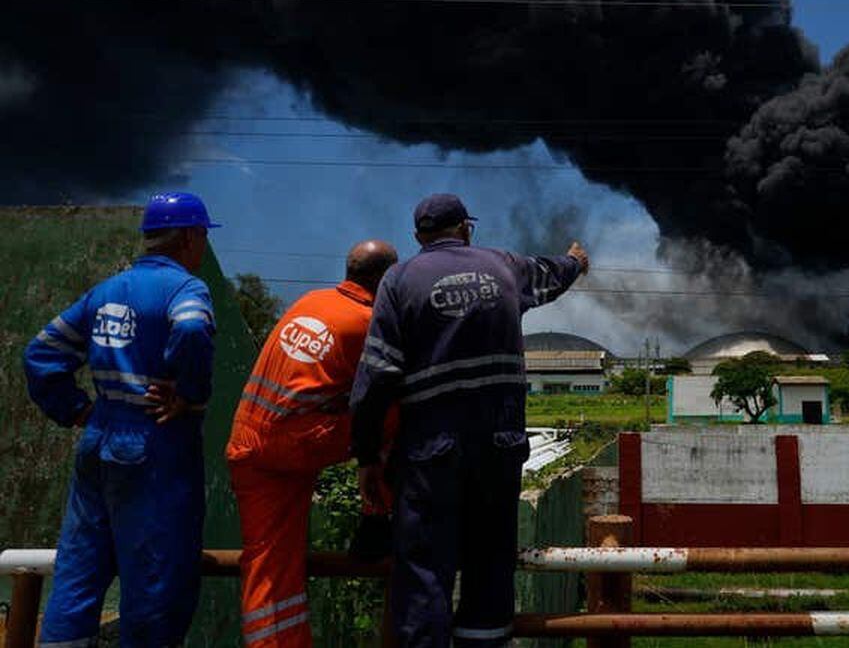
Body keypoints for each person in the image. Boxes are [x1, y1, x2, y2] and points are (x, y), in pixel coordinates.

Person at [350, 193, 589, 648]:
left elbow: (378, 376)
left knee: (424, 568)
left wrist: (366, 454)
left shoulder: (399, 280)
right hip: (499, 447)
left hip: (430, 451)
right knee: (490, 561)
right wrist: (575, 261)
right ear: (466, 228)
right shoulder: (504, 266)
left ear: (419, 237)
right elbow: (552, 273)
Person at [23, 192, 219, 647]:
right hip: (154, 444)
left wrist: (77, 409)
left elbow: (41, 353)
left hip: (98, 438)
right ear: (191, 237)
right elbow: (191, 327)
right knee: (155, 579)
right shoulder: (186, 289)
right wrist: (189, 395)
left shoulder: (106, 291)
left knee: (79, 571)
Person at [226, 239, 398, 648]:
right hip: (295, 442)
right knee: (397, 412)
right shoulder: (367, 321)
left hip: (249, 442)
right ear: (385, 279)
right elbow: (379, 401)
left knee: (269, 562)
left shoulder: (311, 300)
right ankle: (379, 518)